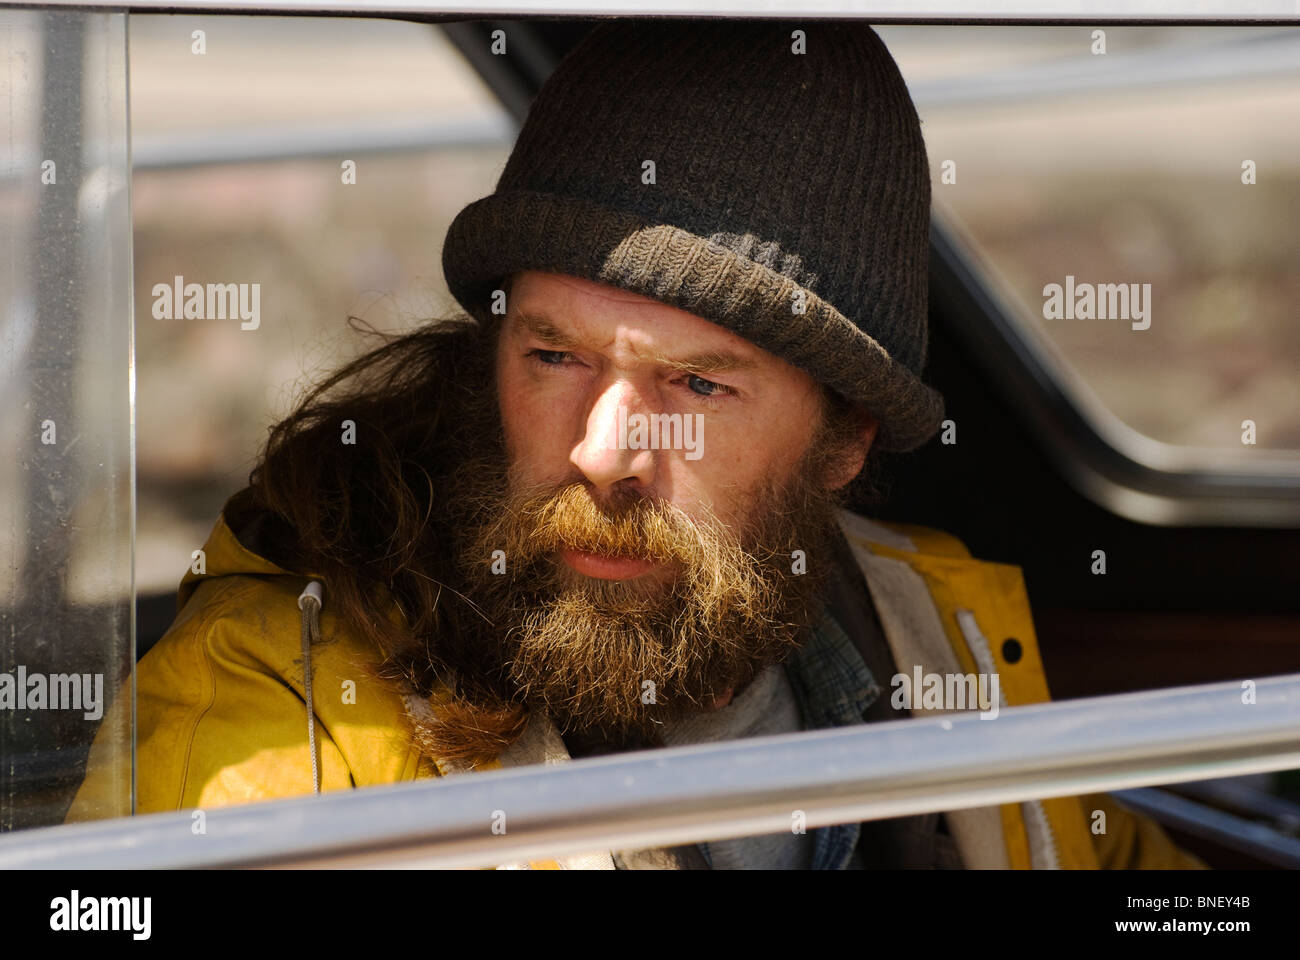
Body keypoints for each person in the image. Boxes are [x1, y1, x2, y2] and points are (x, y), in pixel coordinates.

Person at [70, 20, 1203, 869]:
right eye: (553, 356)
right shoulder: (284, 709)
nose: (602, 453)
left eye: (697, 383)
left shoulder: (938, 633)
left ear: (844, 441)